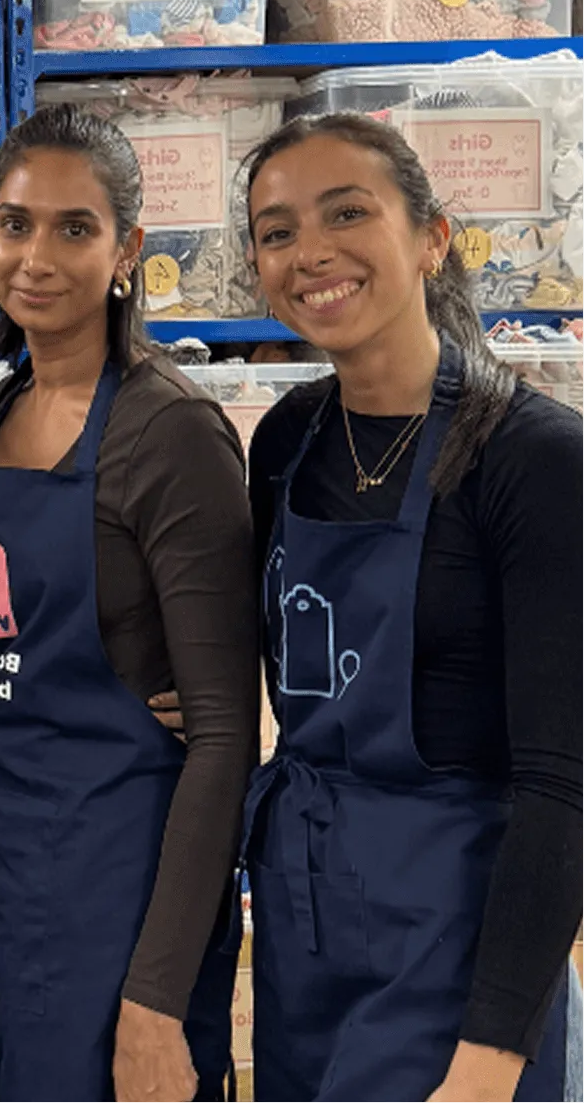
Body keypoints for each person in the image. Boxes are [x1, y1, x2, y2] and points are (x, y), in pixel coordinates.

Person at [240, 113, 581, 1103]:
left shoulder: (535, 460)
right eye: (276, 230)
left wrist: (488, 1060)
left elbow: (565, 788)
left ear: (432, 237)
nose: (311, 252)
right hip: (305, 943)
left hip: (460, 954)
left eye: (348, 212)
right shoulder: (287, 444)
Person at [0, 104, 258, 1102]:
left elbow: (221, 737)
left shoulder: (171, 434)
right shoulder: (1, 410)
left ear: (127, 249)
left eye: (74, 229)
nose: (36, 256)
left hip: (113, 891)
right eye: (14, 223)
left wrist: (157, 999)